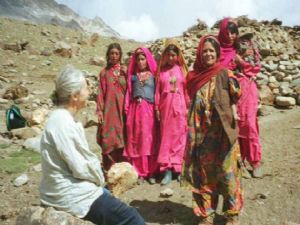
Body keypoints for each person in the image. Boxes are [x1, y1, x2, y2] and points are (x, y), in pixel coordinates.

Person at [39, 65, 146, 225]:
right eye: (85, 87)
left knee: (110, 200)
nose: (89, 90)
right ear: (74, 96)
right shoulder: (63, 123)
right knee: (131, 217)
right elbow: (81, 167)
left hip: (64, 189)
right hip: (70, 194)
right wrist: (98, 176)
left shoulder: (60, 118)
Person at [184, 35, 243, 225]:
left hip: (224, 134)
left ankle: (232, 214)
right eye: (205, 51)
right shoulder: (194, 77)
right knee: (205, 175)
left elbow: (237, 93)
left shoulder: (225, 73)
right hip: (204, 136)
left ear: (217, 53)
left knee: (228, 174)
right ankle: (207, 214)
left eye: (211, 51)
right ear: (200, 54)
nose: (208, 54)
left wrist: (232, 84)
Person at [155, 39, 189, 185]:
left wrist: (188, 107)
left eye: (173, 55)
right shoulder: (160, 72)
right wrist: (156, 108)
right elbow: (157, 91)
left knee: (180, 138)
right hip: (165, 109)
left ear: (178, 56)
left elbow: (187, 90)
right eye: (168, 55)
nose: (170, 58)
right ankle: (167, 171)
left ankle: (179, 170)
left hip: (180, 108)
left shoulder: (182, 70)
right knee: (166, 139)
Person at [123, 47, 158, 184]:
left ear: (147, 60)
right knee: (137, 140)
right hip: (135, 111)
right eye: (138, 59)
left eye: (143, 59)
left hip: (149, 111)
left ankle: (151, 171)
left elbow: (157, 93)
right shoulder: (132, 77)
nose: (140, 62)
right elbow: (128, 94)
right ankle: (139, 172)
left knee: (149, 139)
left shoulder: (153, 76)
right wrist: (127, 109)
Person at [235, 33, 263, 178]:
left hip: (249, 90)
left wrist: (241, 62)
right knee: (237, 126)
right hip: (235, 91)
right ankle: (242, 163)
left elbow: (256, 67)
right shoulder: (233, 49)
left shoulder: (253, 48)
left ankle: (255, 162)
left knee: (250, 126)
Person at [96, 43, 127, 172]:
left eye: (116, 54)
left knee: (123, 135)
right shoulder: (104, 73)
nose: (114, 56)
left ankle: (123, 167)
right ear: (108, 55)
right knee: (108, 138)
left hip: (123, 110)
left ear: (120, 55)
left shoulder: (125, 71)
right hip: (109, 112)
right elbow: (101, 93)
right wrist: (100, 111)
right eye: (111, 53)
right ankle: (109, 167)